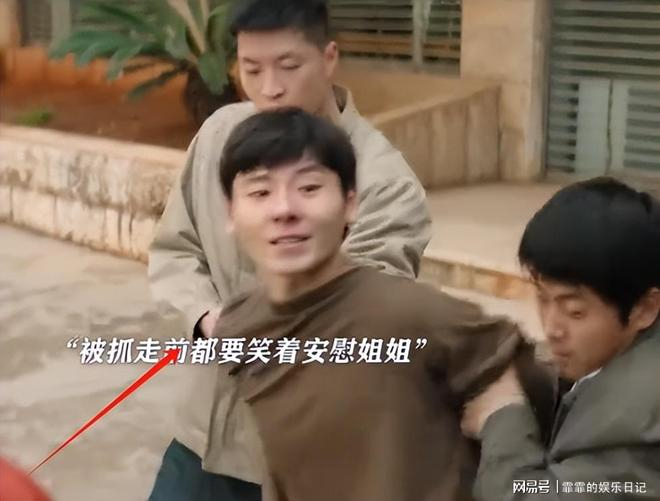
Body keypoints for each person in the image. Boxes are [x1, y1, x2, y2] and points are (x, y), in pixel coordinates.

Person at [147, 0, 431, 498]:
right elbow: (176, 248)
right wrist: (205, 316)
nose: (270, 89)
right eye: (251, 69)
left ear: (328, 58)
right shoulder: (217, 138)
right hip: (202, 437)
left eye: (288, 66)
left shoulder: (383, 183)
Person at [203, 107, 553, 501]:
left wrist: (502, 413)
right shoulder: (239, 326)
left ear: (350, 203)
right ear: (230, 212)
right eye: (260, 193)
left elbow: (538, 394)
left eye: (309, 188)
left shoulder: (411, 315)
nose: (284, 210)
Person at [461, 178, 660, 500]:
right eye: (542, 298)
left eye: (575, 311)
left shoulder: (636, 424)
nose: (552, 328)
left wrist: (503, 416)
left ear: (644, 308)